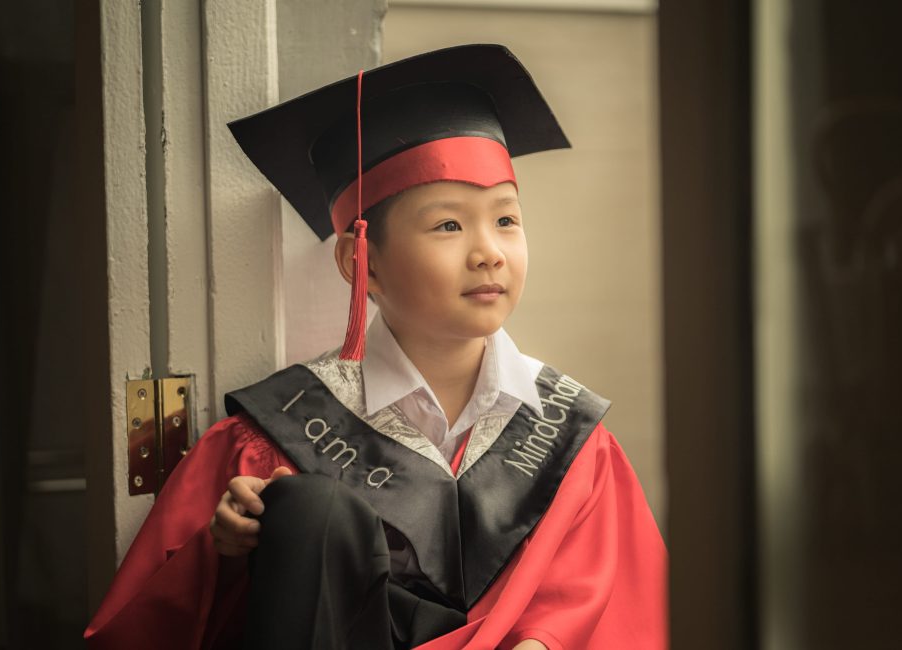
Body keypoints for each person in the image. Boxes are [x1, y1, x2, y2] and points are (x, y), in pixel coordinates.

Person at [85, 44, 666, 649]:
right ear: (362, 261)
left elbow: (614, 607)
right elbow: (157, 621)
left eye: (505, 220)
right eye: (448, 225)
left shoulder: (570, 438)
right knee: (309, 509)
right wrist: (230, 547)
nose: (489, 251)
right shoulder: (276, 434)